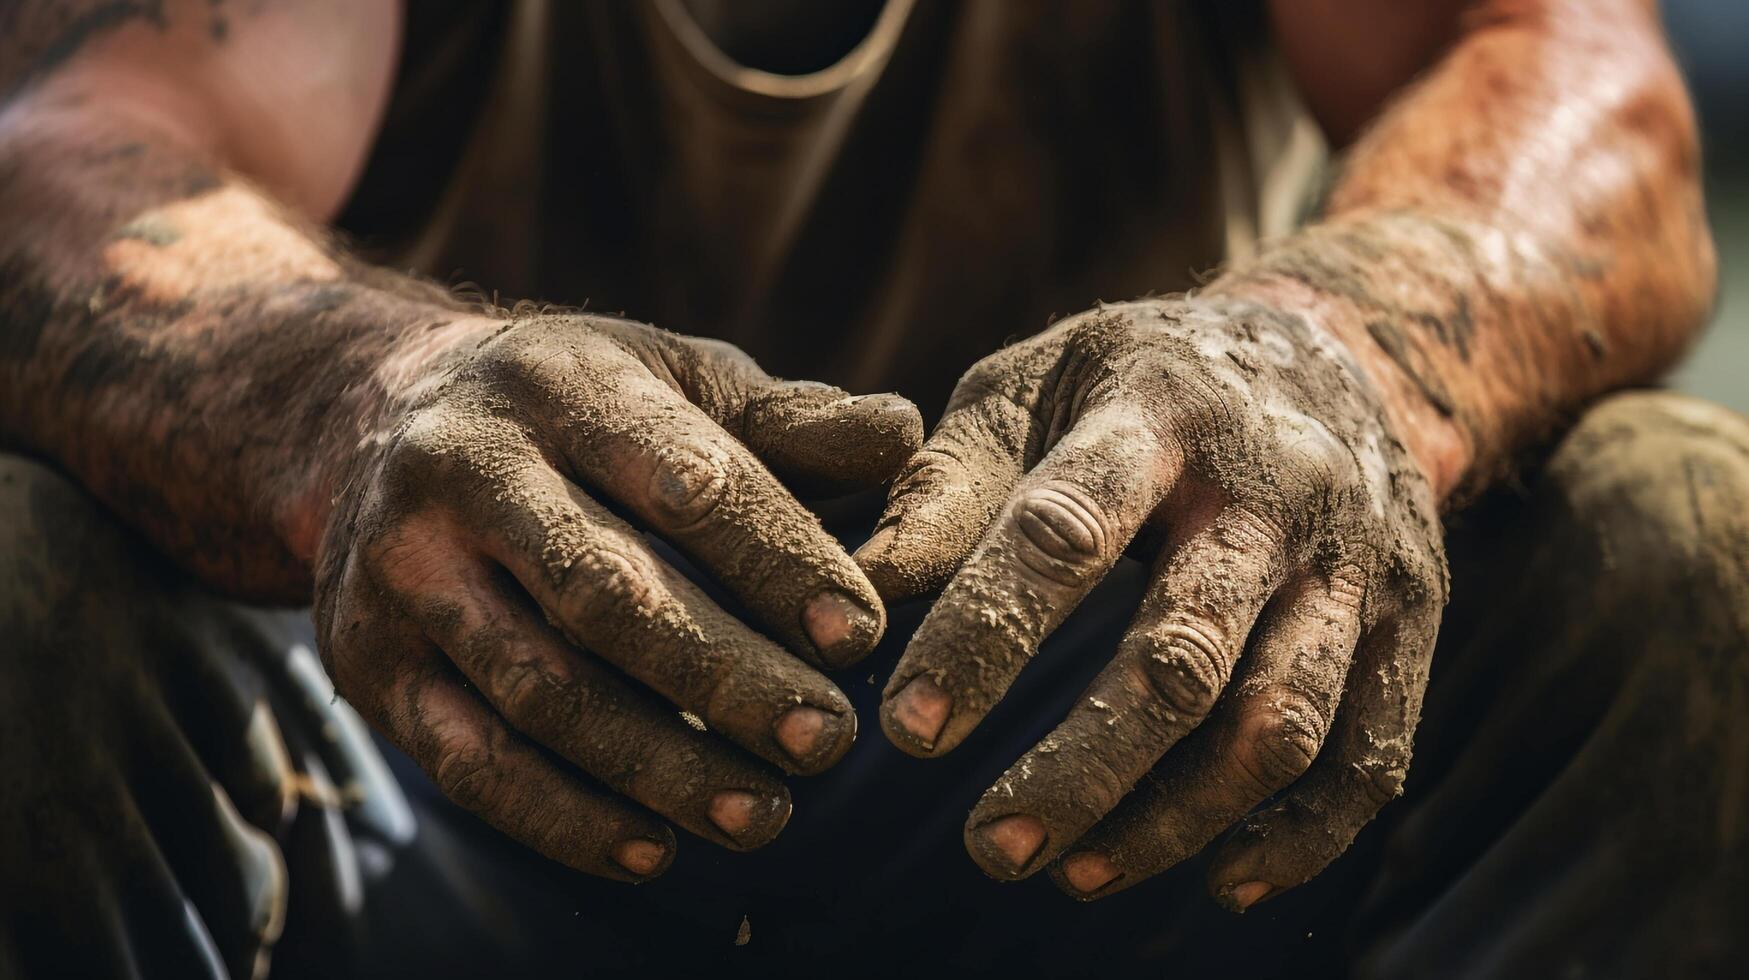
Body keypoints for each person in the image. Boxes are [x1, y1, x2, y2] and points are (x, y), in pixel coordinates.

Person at [2, 0, 1745, 976]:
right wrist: (360, 396)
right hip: (453, 777)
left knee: (1689, 543)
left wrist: (1338, 353)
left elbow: (1579, 80)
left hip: (1151, 777)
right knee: (21, 577)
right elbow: (65, 150)